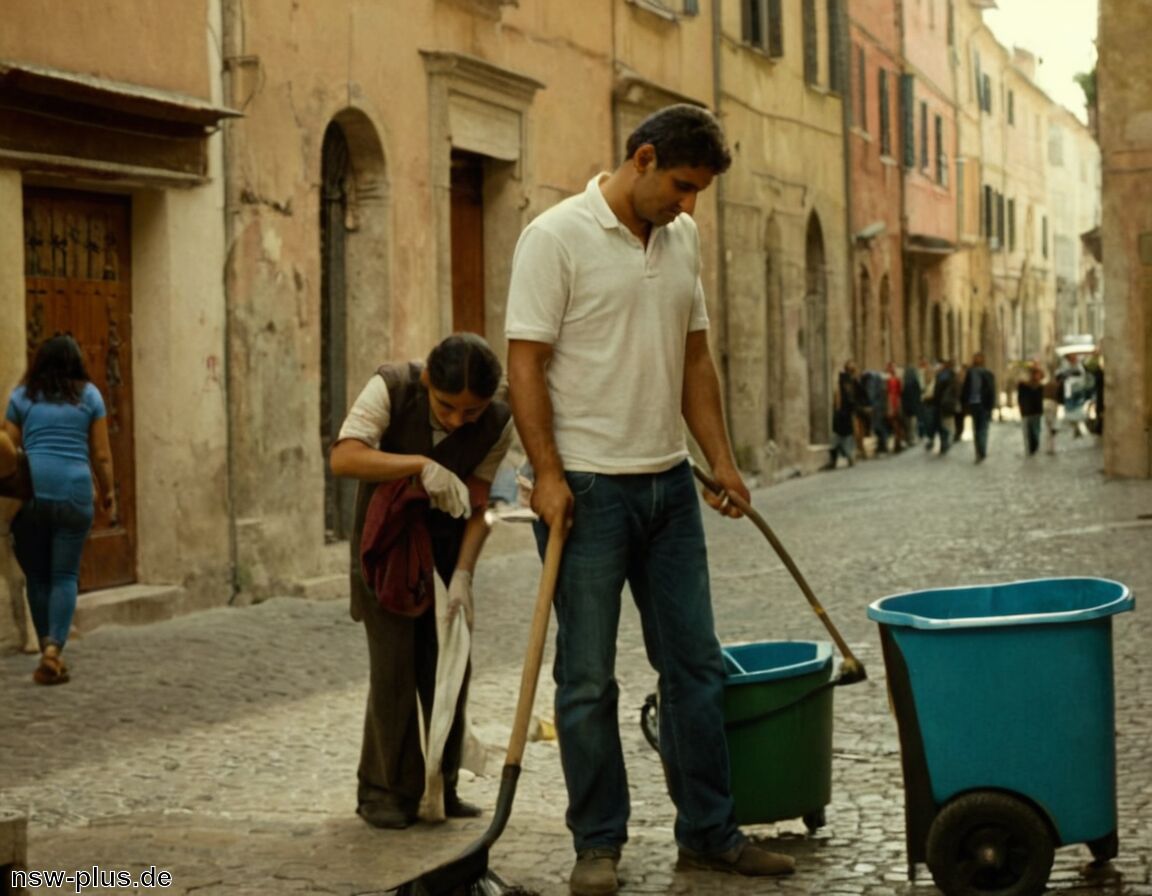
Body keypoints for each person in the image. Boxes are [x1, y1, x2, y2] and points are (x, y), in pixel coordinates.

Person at [505, 103, 795, 896]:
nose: (689, 203)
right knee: (588, 679)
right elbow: (524, 362)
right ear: (641, 159)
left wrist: (722, 462)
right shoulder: (554, 237)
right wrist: (549, 472)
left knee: (695, 666)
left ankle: (709, 832)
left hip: (669, 486)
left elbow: (694, 358)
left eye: (698, 191)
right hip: (587, 494)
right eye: (682, 185)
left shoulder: (682, 238)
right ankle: (598, 842)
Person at [328, 333, 512, 830]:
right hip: (384, 546)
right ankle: (383, 792)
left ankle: (441, 785)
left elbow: (478, 503)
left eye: (470, 413)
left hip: (449, 548)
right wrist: (419, 465)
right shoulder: (392, 386)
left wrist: (465, 575)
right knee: (394, 667)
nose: (457, 421)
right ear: (430, 381)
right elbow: (344, 457)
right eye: (447, 407)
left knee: (450, 662)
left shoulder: (498, 420)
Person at [3, 335, 116, 685]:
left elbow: (8, 446)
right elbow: (100, 453)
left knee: (37, 577)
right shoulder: (90, 395)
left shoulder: (21, 397)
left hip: (32, 491)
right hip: (74, 491)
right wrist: (109, 490)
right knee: (65, 575)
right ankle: (55, 650)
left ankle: (44, 650)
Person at [961, 352, 996, 463]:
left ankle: (982, 450)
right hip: (974, 404)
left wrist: (991, 406)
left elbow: (991, 391)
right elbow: (965, 389)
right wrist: (965, 403)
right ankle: (979, 452)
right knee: (977, 429)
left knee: (983, 429)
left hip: (983, 405)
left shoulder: (987, 374)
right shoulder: (970, 373)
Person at [826, 360, 861, 469]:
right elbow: (840, 397)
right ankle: (839, 459)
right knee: (839, 438)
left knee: (843, 438)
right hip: (842, 414)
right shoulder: (845, 381)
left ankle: (847, 458)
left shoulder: (852, 382)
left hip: (845, 413)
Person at [1017, 363, 1045, 456]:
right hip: (1027, 411)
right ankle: (1029, 449)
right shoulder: (1023, 386)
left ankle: (1035, 447)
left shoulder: (1040, 386)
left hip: (1036, 411)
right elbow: (1020, 398)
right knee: (1027, 432)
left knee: (1036, 431)